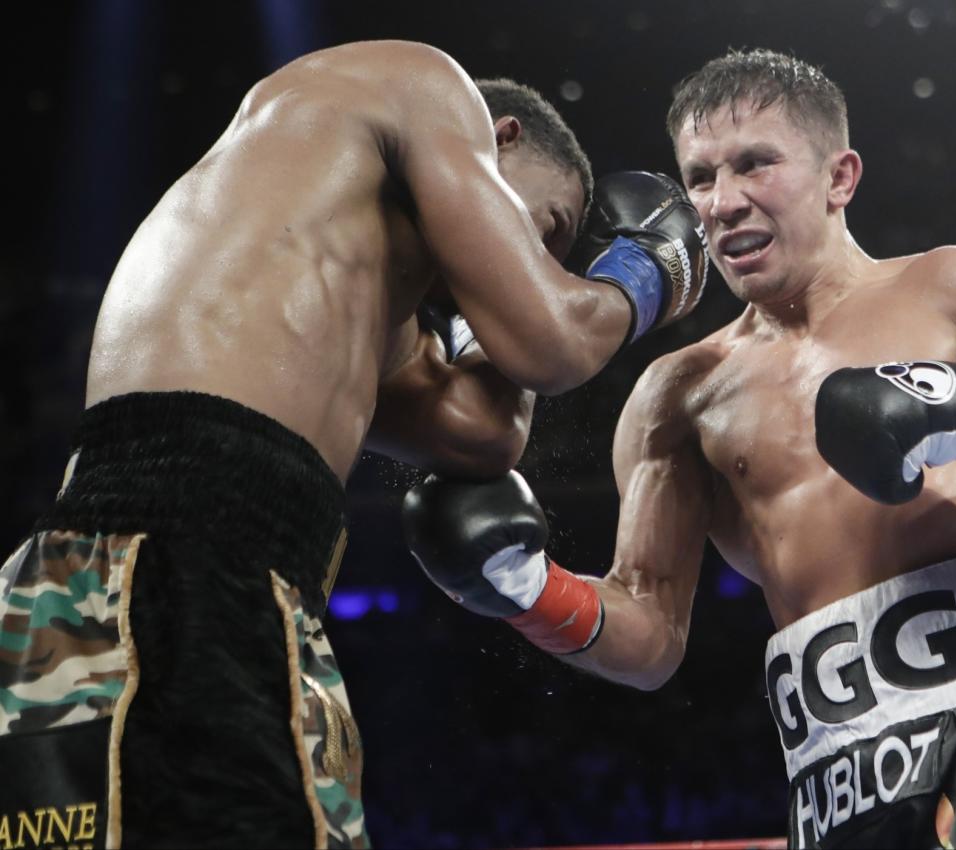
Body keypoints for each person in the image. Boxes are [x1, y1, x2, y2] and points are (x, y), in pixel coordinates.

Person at [402, 48, 956, 849]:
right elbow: (647, 636)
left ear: (839, 178)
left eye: (755, 164)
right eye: (700, 177)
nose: (722, 201)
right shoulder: (678, 396)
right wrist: (526, 589)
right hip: (830, 778)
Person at [0, 40, 707, 849]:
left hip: (166, 578)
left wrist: (497, 307)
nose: (536, 262)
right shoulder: (416, 83)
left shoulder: (364, 311)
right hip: (185, 561)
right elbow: (554, 343)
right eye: (547, 226)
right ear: (499, 138)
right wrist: (643, 271)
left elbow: (488, 435)